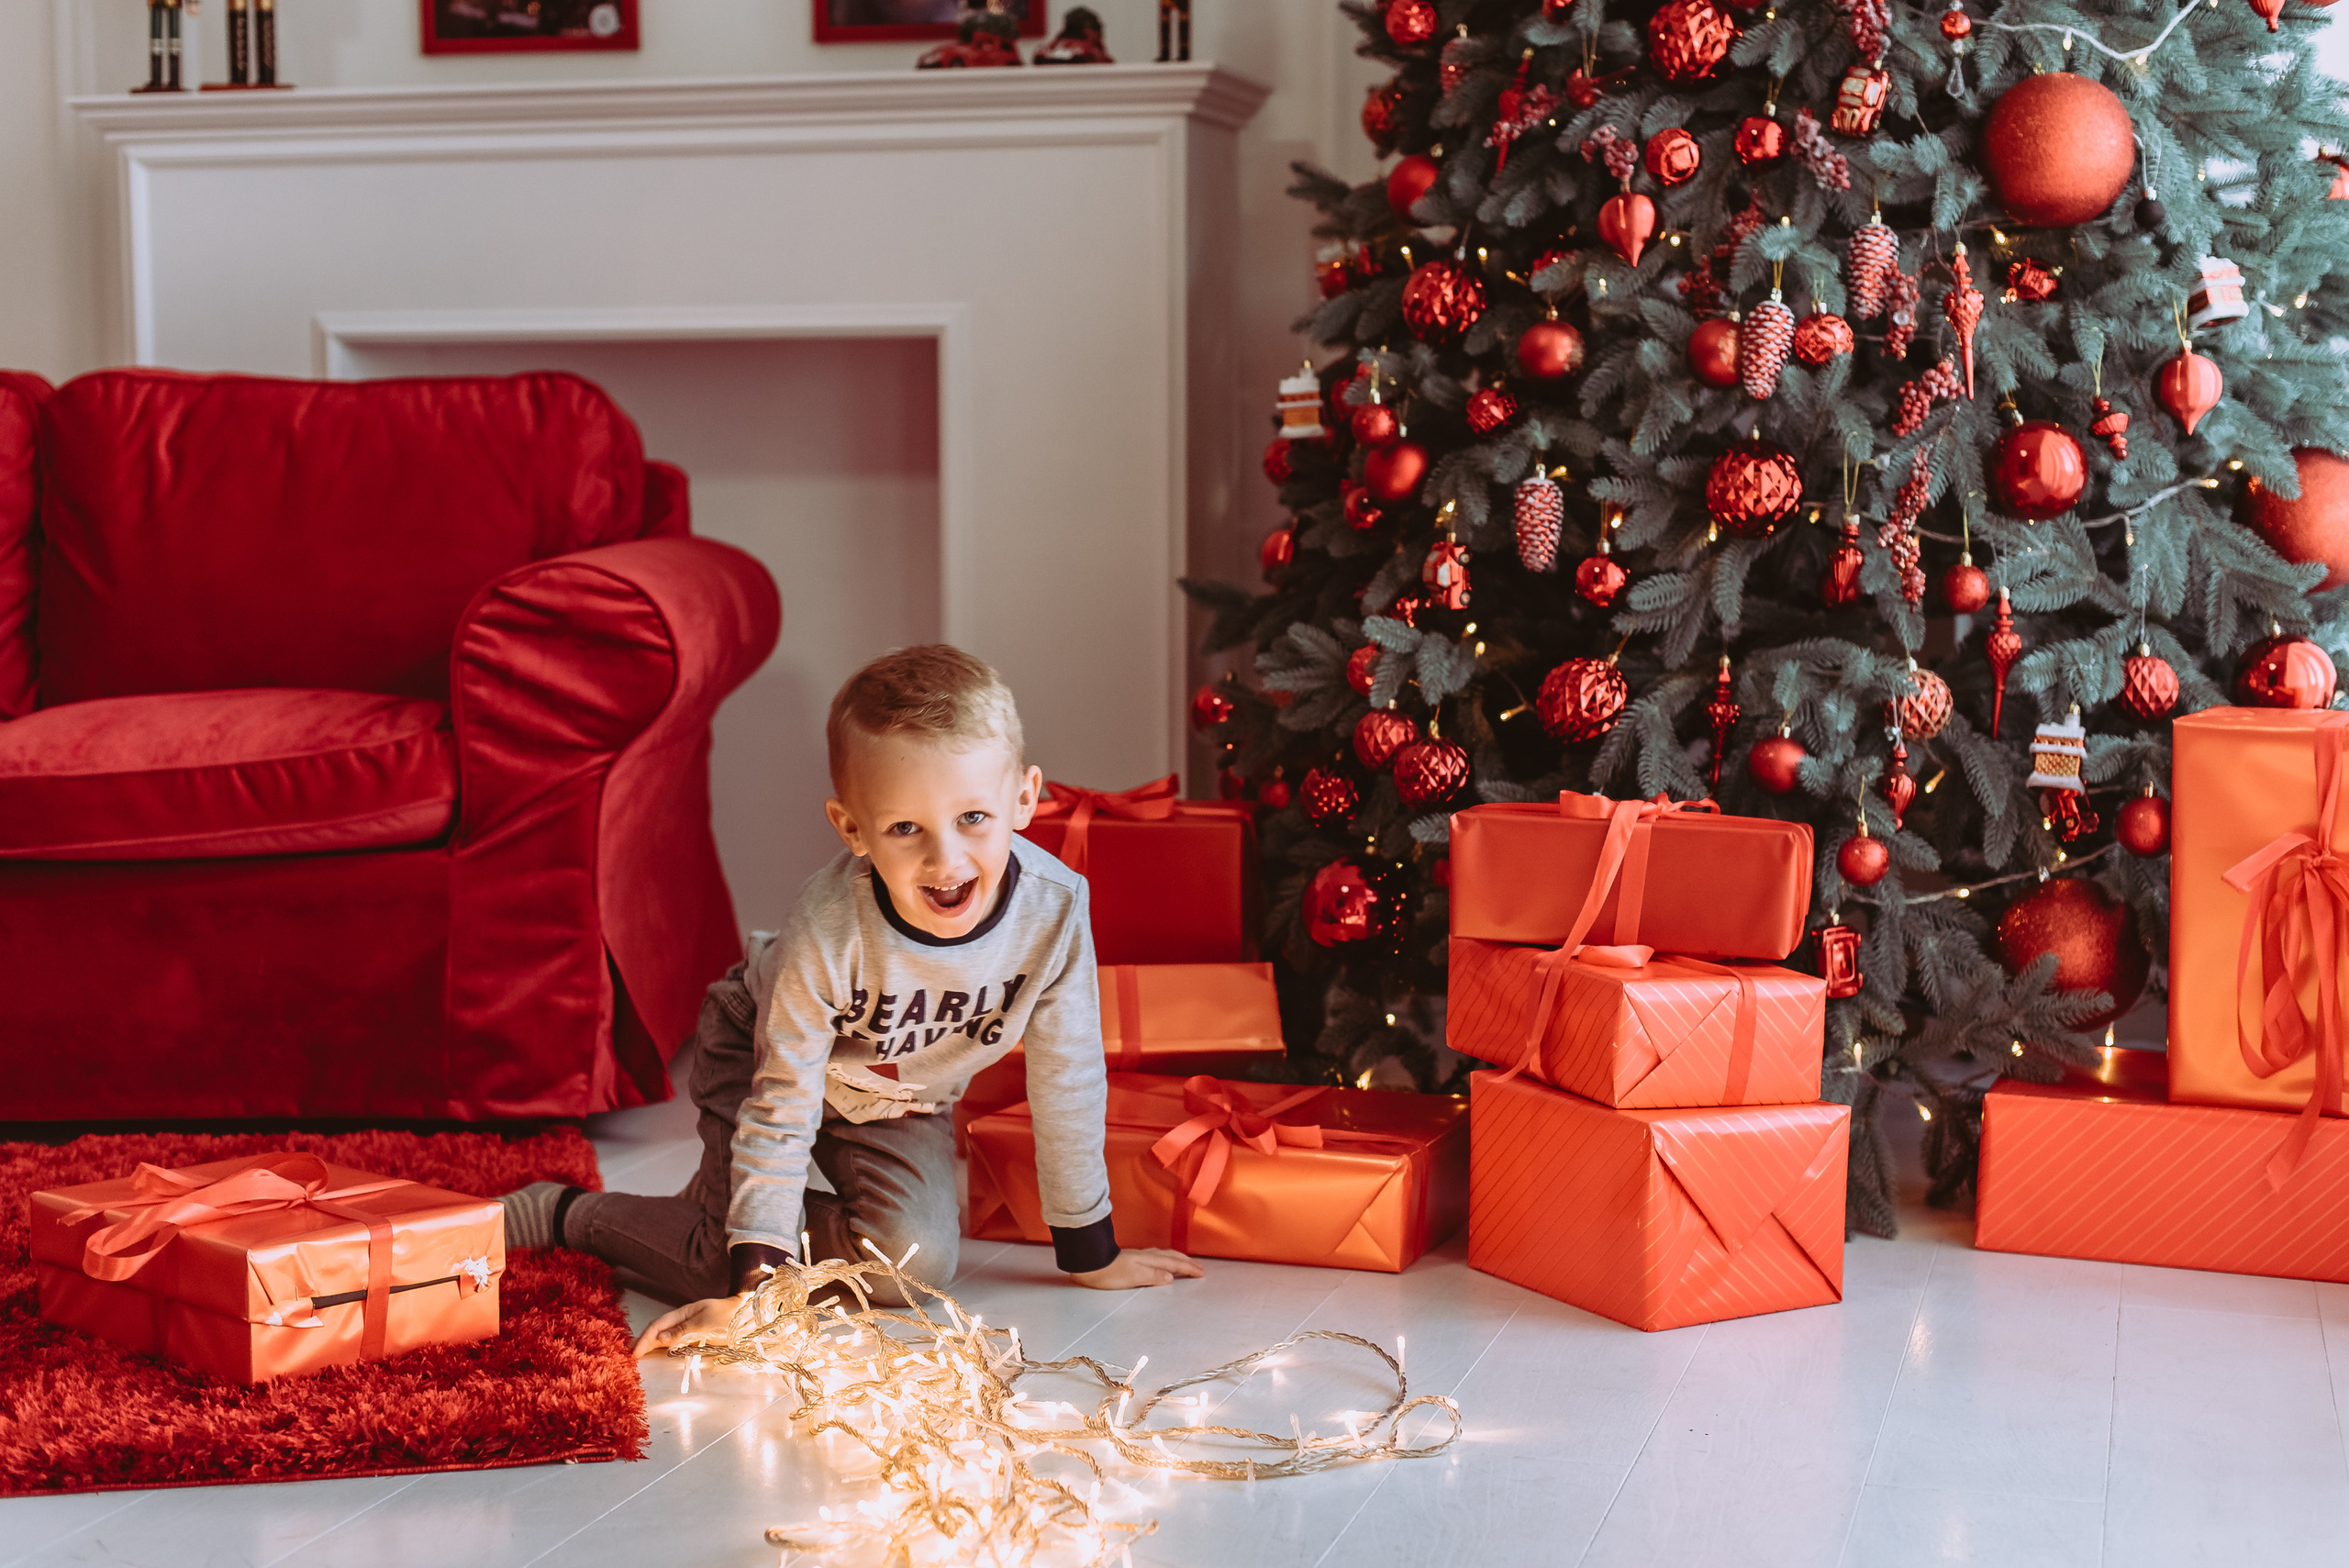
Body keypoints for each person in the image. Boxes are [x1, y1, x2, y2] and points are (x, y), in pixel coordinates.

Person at [499, 644, 1200, 1356]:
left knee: (917, 1264)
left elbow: (1068, 1076)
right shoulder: (827, 930)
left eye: (973, 817)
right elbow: (782, 1105)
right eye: (905, 828)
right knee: (734, 1272)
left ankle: (716, 1215)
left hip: (898, 1094)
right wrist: (756, 1283)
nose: (945, 858)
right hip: (762, 1051)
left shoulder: (1053, 911)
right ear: (852, 828)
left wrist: (1090, 1249)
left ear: (1025, 798)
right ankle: (567, 1213)